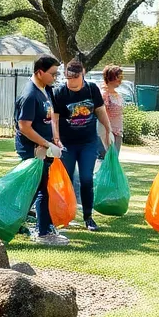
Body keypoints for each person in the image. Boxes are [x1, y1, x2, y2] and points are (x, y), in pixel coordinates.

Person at [52, 59, 113, 231]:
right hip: (67, 144)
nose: (71, 82)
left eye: (74, 78)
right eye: (68, 78)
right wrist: (56, 138)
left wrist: (109, 130)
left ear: (82, 74)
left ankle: (88, 217)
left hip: (88, 142)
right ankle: (65, 215)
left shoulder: (92, 89)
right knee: (67, 180)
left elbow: (100, 111)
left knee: (86, 179)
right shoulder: (60, 92)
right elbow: (55, 119)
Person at [14, 54, 65, 245]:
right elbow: (24, 126)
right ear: (39, 72)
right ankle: (42, 231)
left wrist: (55, 140)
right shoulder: (30, 94)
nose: (55, 77)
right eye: (52, 73)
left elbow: (49, 118)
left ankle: (37, 226)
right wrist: (45, 144)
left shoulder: (45, 90)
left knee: (39, 189)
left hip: (44, 147)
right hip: (33, 150)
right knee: (39, 188)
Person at [101, 65, 126, 152]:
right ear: (110, 77)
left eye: (121, 77)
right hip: (107, 133)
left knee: (114, 162)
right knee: (107, 161)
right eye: (118, 76)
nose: (120, 79)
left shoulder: (118, 95)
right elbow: (103, 116)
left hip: (118, 132)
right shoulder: (104, 95)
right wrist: (108, 133)